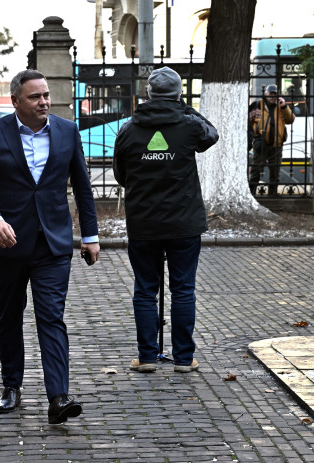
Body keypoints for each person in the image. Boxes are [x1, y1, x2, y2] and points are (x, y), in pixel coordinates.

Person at [0, 69, 100, 425]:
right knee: (10, 314)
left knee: (51, 317)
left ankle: (58, 397)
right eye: (35, 97)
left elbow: (82, 186)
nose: (44, 102)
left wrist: (90, 235)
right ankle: (11, 384)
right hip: (9, 242)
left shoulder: (67, 130)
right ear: (16, 101)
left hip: (52, 244)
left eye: (46, 95)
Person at [113, 66, 219, 374]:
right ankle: (184, 358)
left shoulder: (129, 129)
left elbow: (120, 175)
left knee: (146, 289)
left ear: (148, 93)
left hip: (143, 223)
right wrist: (184, 108)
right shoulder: (188, 125)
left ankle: (147, 356)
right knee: (183, 289)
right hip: (184, 223)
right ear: (178, 94)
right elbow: (211, 134)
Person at [248, 85, 294, 196]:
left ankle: (273, 194)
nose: (273, 97)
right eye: (271, 94)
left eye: (275, 94)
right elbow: (248, 122)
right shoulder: (257, 105)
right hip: (261, 145)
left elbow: (290, 119)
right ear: (266, 94)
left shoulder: (281, 107)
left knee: (275, 172)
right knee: (255, 171)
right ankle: (251, 194)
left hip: (277, 144)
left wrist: (284, 106)